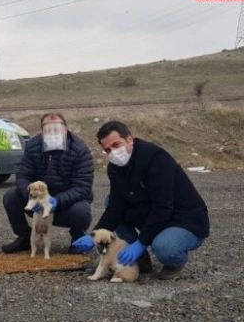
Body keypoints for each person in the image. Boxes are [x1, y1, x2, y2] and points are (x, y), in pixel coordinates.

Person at [72, 120, 210, 280]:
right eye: (108, 150)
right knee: (110, 200)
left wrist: (142, 242)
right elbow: (115, 207)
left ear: (130, 139)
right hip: (152, 213)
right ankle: (141, 259)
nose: (113, 152)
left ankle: (174, 262)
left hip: (183, 220)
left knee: (165, 248)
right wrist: (93, 236)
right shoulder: (115, 168)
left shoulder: (156, 158)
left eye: (116, 145)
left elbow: (163, 206)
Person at [2, 113, 94, 254]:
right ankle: (25, 237)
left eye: (57, 129)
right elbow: (23, 176)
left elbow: (83, 187)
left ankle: (77, 239)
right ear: (42, 131)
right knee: (11, 196)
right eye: (48, 130)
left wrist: (56, 201)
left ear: (66, 129)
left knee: (81, 210)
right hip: (38, 203)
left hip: (65, 205)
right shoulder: (32, 146)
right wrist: (32, 196)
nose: (52, 133)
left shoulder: (80, 150)